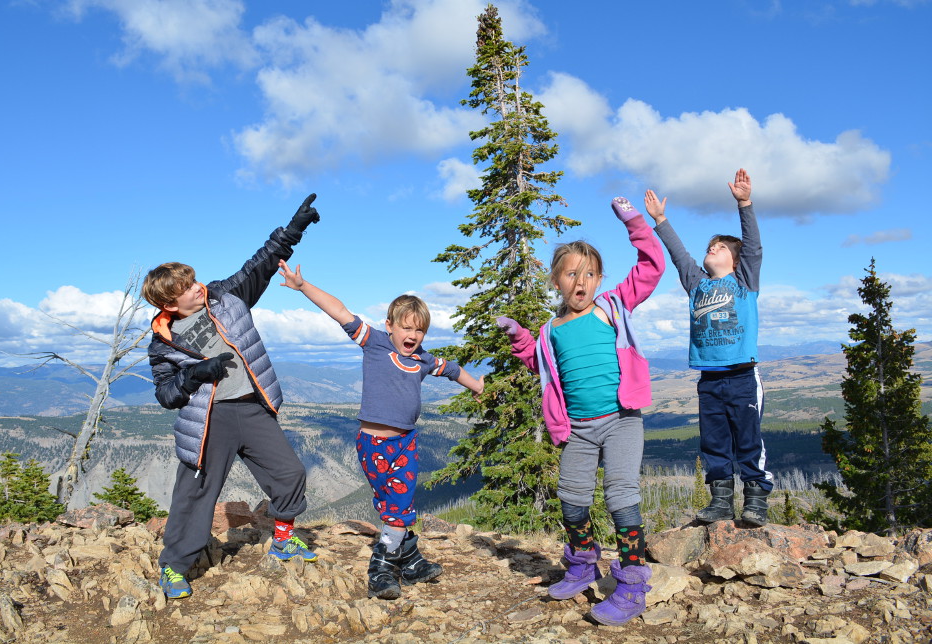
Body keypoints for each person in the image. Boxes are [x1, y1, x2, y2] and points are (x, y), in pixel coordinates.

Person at [142, 195, 321, 600]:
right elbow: (166, 395)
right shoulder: (162, 344)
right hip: (211, 421)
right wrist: (193, 374)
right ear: (169, 303)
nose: (197, 287)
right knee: (195, 495)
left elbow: (261, 262)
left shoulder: (226, 297)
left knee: (289, 474)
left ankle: (283, 539)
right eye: (187, 288)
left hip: (253, 407)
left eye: (193, 280)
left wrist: (294, 229)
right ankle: (173, 567)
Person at [497, 197, 664, 627]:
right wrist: (519, 338)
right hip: (578, 430)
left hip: (621, 420)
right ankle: (582, 565)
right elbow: (539, 363)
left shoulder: (612, 306)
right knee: (572, 502)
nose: (581, 281)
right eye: (572, 273)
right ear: (557, 280)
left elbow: (652, 266)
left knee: (621, 499)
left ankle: (632, 586)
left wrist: (634, 221)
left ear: (599, 279)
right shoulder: (551, 330)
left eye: (589, 274)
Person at [277, 261, 484, 600]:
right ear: (390, 326)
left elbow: (452, 370)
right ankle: (409, 560)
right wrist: (303, 286)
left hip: (405, 444)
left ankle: (382, 568)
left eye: (420, 330)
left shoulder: (424, 360)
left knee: (398, 508)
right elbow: (340, 311)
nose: (412, 335)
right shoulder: (374, 343)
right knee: (392, 507)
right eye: (406, 327)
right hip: (372, 445)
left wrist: (476, 386)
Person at [644, 168, 773, 527]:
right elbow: (679, 255)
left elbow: (753, 246)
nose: (712, 249)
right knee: (714, 442)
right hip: (709, 378)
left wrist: (744, 204)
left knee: (748, 440)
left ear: (735, 260)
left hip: (743, 376)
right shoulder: (696, 283)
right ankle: (721, 500)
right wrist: (660, 220)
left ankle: (756, 500)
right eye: (709, 247)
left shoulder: (745, 279)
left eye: (720, 247)